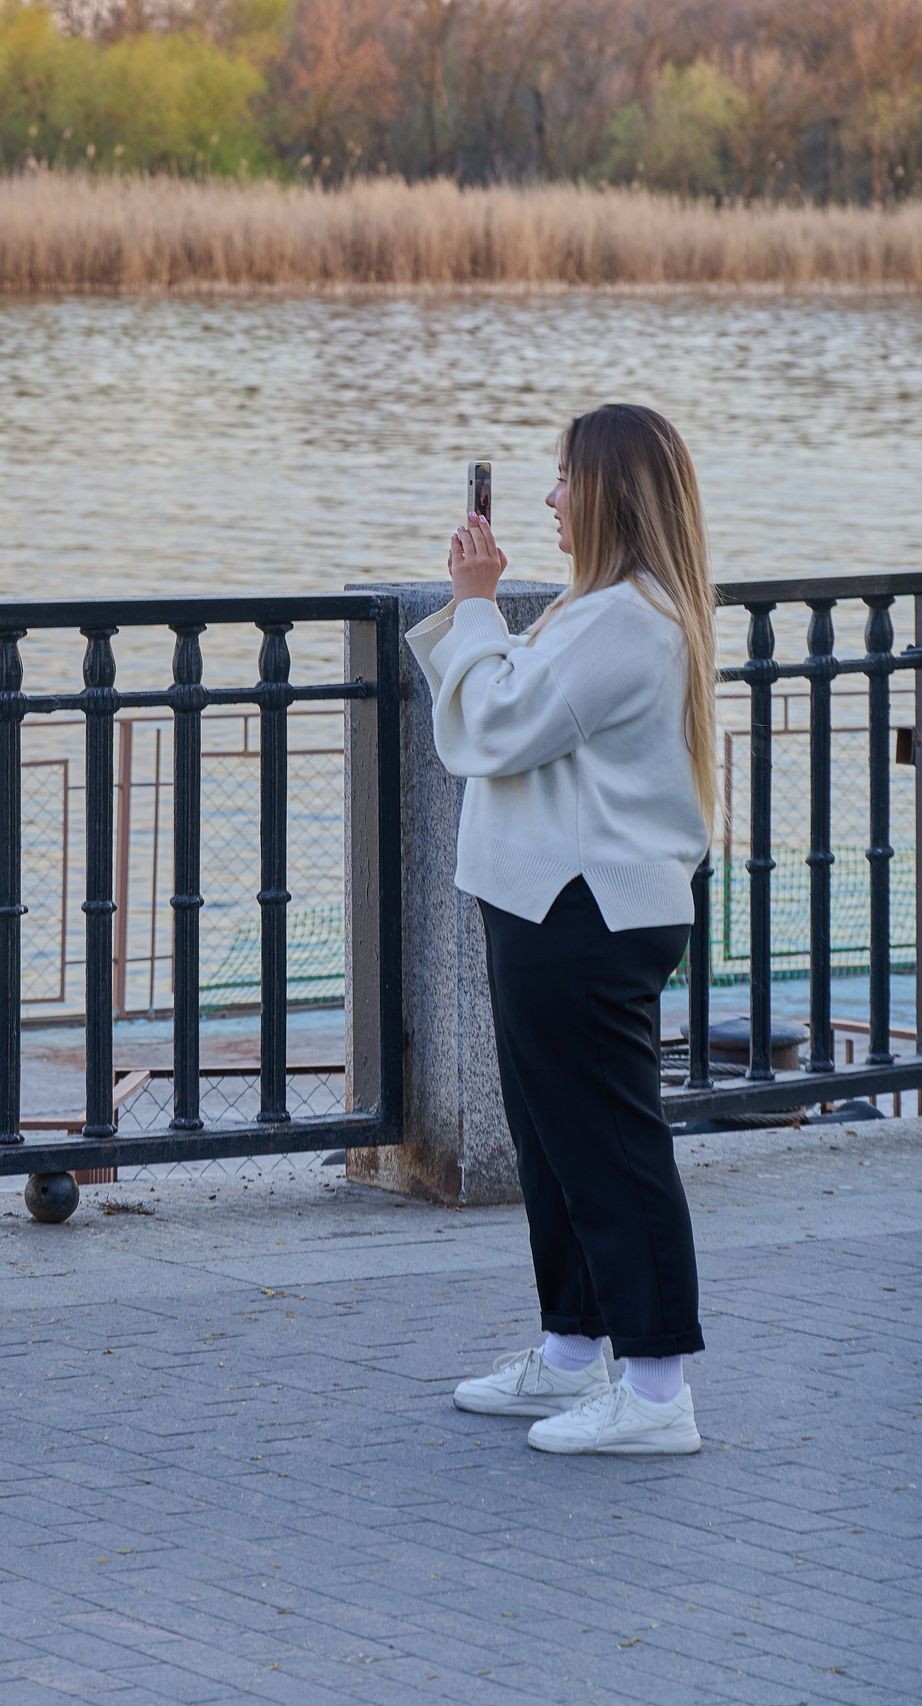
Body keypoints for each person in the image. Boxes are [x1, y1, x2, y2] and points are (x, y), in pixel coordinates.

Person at [410, 403, 717, 1455]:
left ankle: (657, 1388)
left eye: (563, 479)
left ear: (611, 494)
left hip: (586, 911)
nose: (548, 498)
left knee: (610, 1147)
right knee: (554, 1145)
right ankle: (576, 1350)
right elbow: (517, 714)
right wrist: (481, 614)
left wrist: (474, 604)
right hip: (553, 903)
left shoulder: (625, 619)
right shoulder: (607, 609)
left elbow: (498, 724)